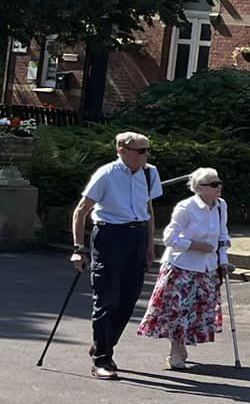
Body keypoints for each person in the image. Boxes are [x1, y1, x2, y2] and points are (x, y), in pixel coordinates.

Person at [69, 131, 163, 380]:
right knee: (107, 298)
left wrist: (150, 245)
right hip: (109, 237)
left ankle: (103, 343)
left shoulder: (150, 172)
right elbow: (81, 211)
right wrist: (79, 249)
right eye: (141, 150)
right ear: (122, 150)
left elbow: (149, 209)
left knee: (129, 299)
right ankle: (102, 359)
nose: (146, 155)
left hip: (137, 236)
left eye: (148, 150)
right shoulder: (106, 174)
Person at [138, 168, 232, 370]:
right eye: (214, 184)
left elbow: (223, 235)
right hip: (182, 267)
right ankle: (175, 349)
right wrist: (195, 245)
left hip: (207, 268)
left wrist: (222, 259)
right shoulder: (186, 207)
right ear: (199, 188)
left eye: (219, 182)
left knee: (197, 311)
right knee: (178, 311)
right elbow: (169, 238)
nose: (219, 187)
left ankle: (181, 345)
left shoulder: (221, 206)